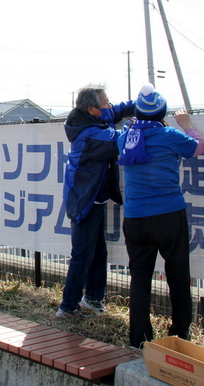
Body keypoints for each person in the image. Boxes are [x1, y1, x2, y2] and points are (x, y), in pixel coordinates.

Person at [117, 84, 204, 348]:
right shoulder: (169, 135)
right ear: (163, 112)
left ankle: (139, 339)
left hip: (134, 217)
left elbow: (125, 131)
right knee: (178, 274)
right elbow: (197, 148)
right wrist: (186, 123)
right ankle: (180, 335)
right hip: (169, 215)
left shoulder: (125, 137)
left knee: (140, 278)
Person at [56, 85, 135, 318]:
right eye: (105, 102)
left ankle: (93, 299)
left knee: (98, 253)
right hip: (83, 200)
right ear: (92, 109)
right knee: (82, 255)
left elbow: (117, 111)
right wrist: (140, 123)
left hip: (95, 198)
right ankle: (68, 307)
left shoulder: (91, 120)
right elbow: (120, 139)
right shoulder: (90, 135)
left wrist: (144, 104)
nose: (109, 105)